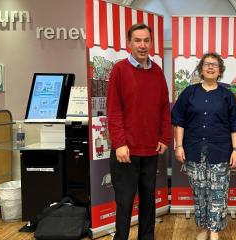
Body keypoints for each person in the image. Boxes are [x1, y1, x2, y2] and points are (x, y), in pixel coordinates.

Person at [171, 52, 236, 240]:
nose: (210, 67)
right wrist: (179, 146)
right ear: (201, 69)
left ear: (220, 70)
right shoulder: (189, 93)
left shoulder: (227, 96)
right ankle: (204, 227)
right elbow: (179, 121)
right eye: (207, 64)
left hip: (220, 151)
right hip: (193, 150)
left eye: (214, 64)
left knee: (218, 192)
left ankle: (214, 230)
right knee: (200, 192)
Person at [106, 23, 170, 240]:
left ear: (151, 43)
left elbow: (163, 107)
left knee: (148, 201)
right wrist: (119, 143)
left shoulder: (157, 72)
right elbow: (113, 110)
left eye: (146, 40)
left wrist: (163, 137)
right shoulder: (119, 70)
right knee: (124, 203)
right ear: (129, 43)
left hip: (151, 150)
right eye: (137, 40)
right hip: (126, 152)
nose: (142, 45)